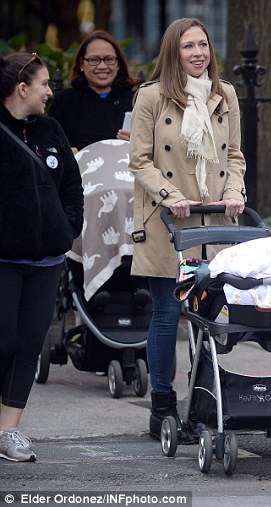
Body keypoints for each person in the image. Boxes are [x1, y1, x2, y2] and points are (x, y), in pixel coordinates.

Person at [128, 18, 246, 442]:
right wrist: (170, 194)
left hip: (214, 221)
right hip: (168, 221)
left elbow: (234, 156)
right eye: (188, 46)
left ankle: (202, 405)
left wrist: (233, 191)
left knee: (209, 317)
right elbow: (140, 160)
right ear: (173, 53)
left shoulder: (224, 94)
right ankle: (162, 406)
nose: (198, 53)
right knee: (167, 313)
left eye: (203, 45)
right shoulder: (151, 96)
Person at [0, 53, 84, 461]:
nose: (50, 92)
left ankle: (7, 431)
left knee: (30, 344)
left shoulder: (51, 129)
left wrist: (66, 228)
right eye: (45, 84)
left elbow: (72, 187)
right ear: (22, 88)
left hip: (47, 260)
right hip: (4, 261)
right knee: (4, 341)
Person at [48, 30, 136, 153]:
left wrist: (138, 143)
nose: (102, 66)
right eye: (94, 60)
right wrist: (66, 153)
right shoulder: (64, 102)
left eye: (109, 59)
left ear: (118, 64)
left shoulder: (134, 101)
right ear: (81, 64)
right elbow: (50, 145)